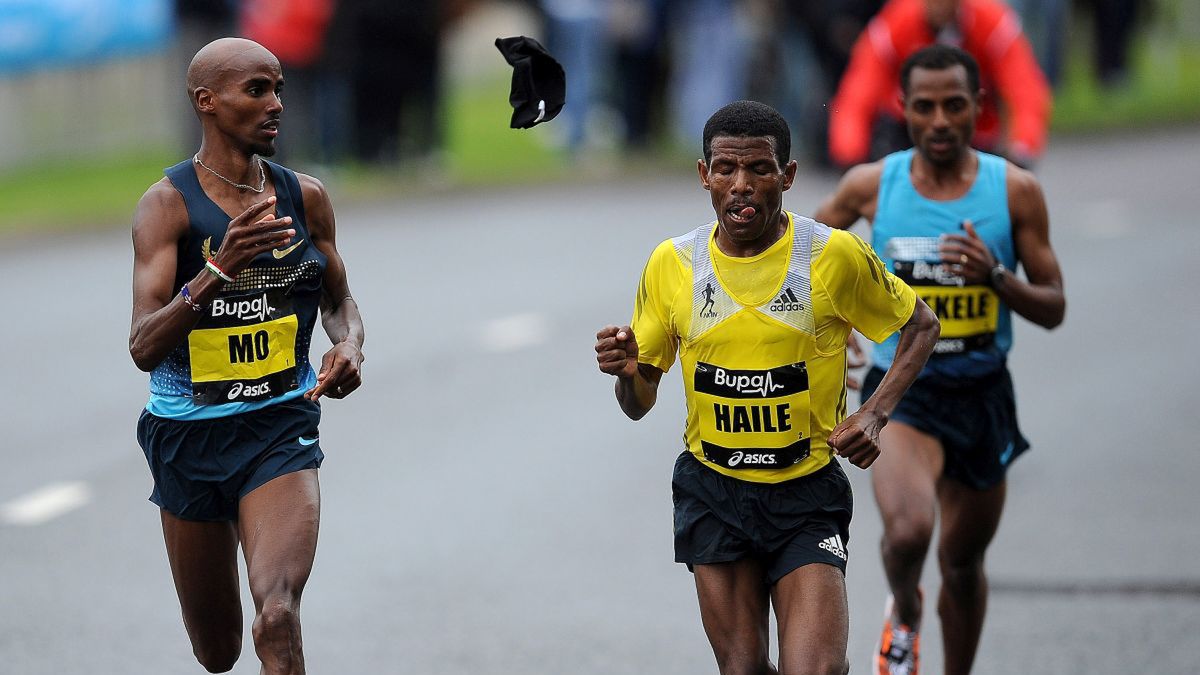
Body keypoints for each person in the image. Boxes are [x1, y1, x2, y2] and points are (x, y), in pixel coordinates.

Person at [595, 100, 939, 675]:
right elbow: (638, 405)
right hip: (714, 491)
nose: (742, 187)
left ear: (789, 175)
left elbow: (921, 325)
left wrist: (876, 413)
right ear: (704, 175)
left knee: (818, 669)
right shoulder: (672, 263)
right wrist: (630, 373)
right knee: (745, 668)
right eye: (725, 170)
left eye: (759, 169)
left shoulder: (833, 256)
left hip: (805, 494)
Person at [813, 45, 1065, 675]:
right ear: (905, 109)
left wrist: (996, 277)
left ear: (978, 106)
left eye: (955, 105)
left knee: (961, 562)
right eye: (924, 107)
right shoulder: (872, 186)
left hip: (982, 393)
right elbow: (804, 261)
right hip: (904, 395)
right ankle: (904, 607)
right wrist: (834, 320)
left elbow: (1055, 306)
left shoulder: (1015, 191)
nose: (941, 121)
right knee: (907, 536)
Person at [128, 37, 364, 674]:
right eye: (256, 90)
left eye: (279, 88)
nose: (276, 104)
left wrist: (348, 346)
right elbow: (144, 346)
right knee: (218, 653)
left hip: (277, 428)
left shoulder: (304, 196)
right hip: (188, 439)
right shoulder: (166, 206)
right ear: (207, 102)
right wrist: (216, 271)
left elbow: (340, 298)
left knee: (278, 613)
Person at [827, 0, 1051, 169]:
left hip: (976, 134)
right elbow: (860, 88)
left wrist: (1022, 147)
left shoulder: (993, 22)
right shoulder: (895, 22)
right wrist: (850, 153)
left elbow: (1024, 88)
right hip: (908, 134)